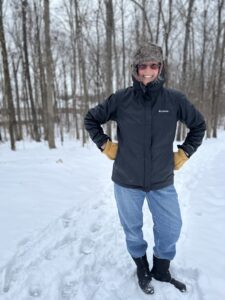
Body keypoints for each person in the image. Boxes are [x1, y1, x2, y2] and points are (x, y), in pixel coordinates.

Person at [84, 42, 206, 295]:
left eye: (153, 65)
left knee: (171, 226)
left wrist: (184, 153)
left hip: (161, 179)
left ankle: (161, 268)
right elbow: (91, 119)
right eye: (142, 66)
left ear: (160, 67)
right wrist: (106, 145)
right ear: (135, 69)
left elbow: (199, 126)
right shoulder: (121, 99)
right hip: (126, 180)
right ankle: (141, 266)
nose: (147, 71)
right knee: (132, 228)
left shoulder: (174, 100)